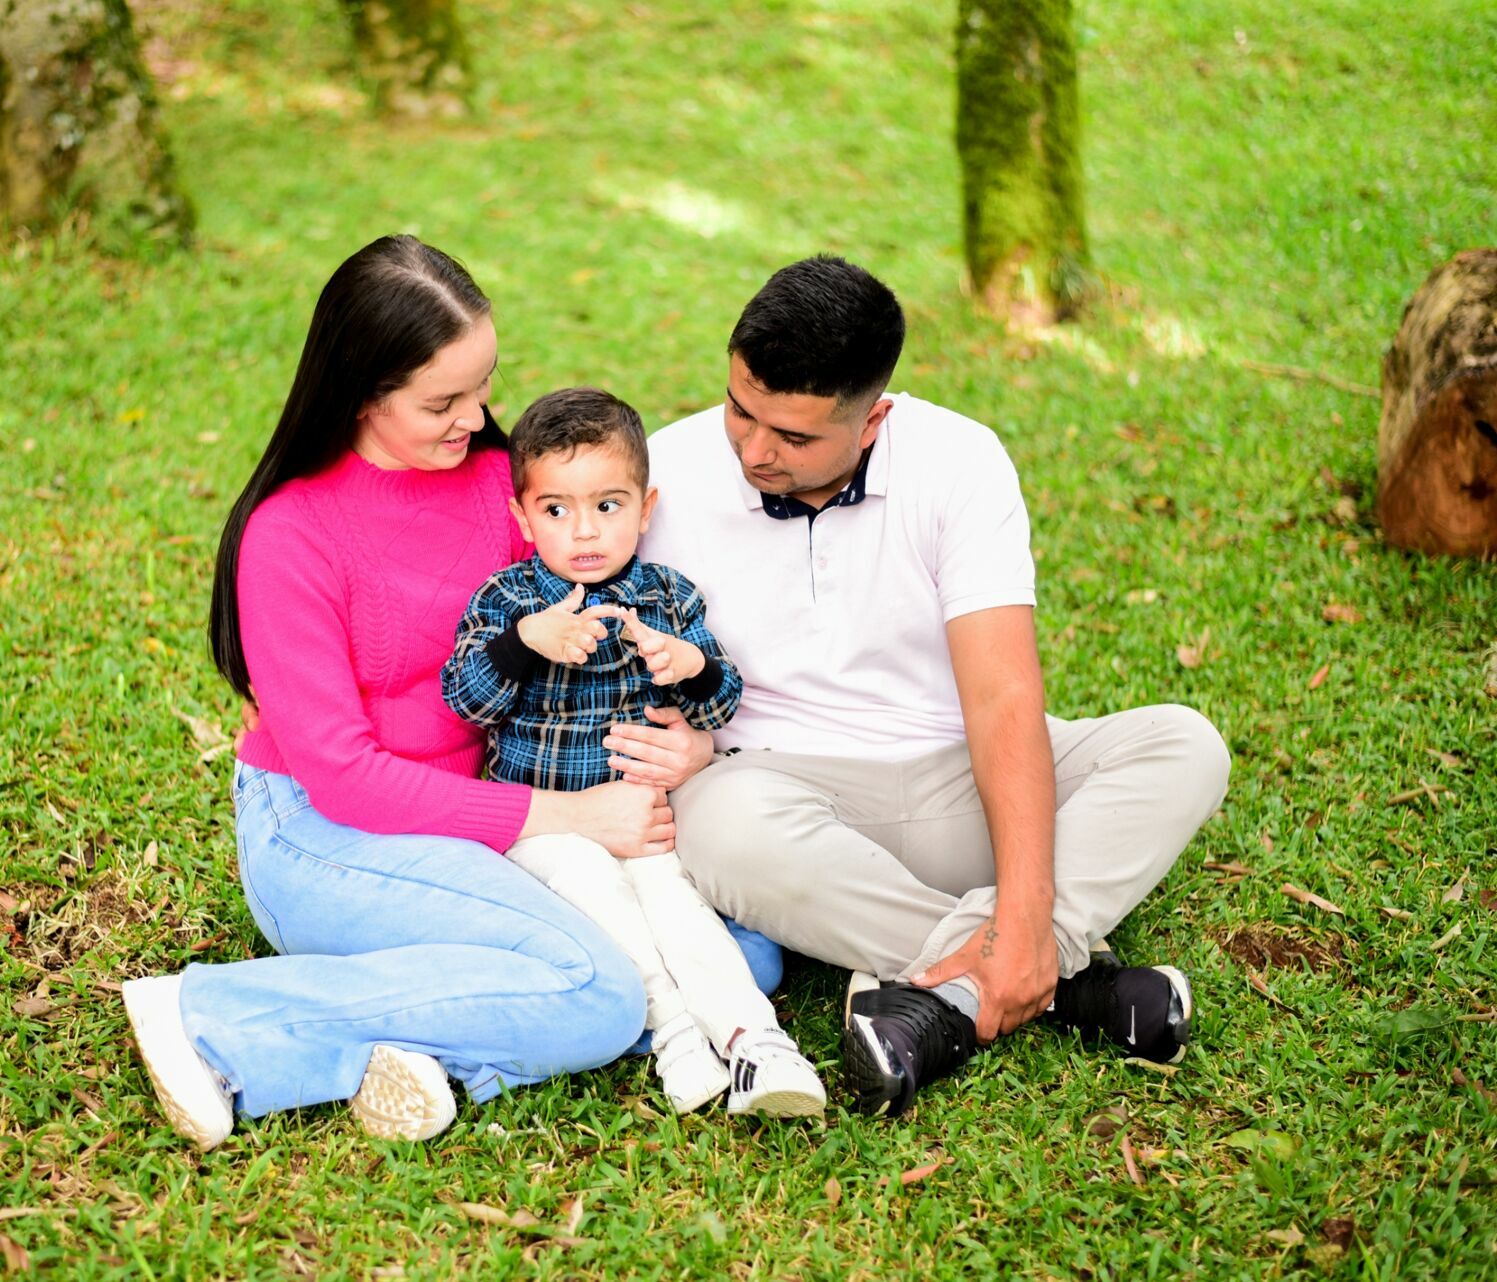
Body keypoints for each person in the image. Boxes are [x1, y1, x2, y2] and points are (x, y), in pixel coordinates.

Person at [120, 236, 700, 1150]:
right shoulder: (291, 535)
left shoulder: (504, 493)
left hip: (480, 814)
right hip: (328, 836)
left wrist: (684, 736)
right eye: (442, 402)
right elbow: (346, 779)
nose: (476, 419)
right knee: (601, 991)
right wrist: (571, 817)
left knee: (735, 955)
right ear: (361, 393)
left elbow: (592, 637)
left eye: (483, 386)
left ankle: (411, 1043)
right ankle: (214, 1017)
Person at [626, 255, 1233, 1117]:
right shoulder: (664, 472)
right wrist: (691, 741)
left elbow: (1003, 699)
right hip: (785, 796)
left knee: (1184, 745)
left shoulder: (958, 461)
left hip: (960, 789)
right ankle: (1071, 989)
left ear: (871, 419)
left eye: (793, 438)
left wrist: (1025, 909)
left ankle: (969, 978)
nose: (755, 450)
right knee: (713, 822)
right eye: (740, 410)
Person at [439, 388, 825, 1118]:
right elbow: (466, 700)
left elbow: (722, 702)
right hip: (546, 831)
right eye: (556, 510)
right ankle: (675, 1032)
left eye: (608, 506)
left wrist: (690, 666)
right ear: (523, 518)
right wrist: (525, 646)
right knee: (597, 891)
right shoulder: (508, 600)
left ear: (646, 510)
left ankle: (756, 1043)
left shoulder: (669, 598)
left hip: (647, 823)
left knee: (676, 906)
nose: (584, 530)